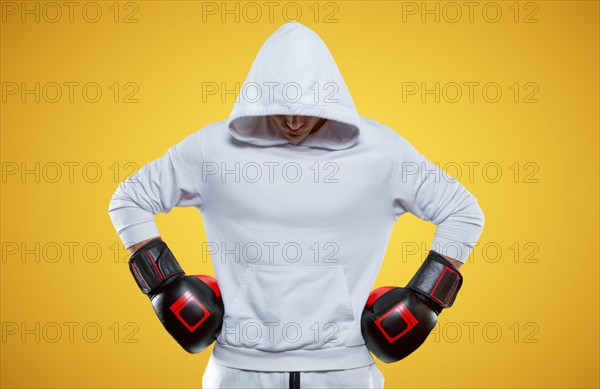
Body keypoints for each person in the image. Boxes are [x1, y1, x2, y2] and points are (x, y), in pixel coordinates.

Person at [108, 21, 484, 388]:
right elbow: (130, 199)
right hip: (239, 369)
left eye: (306, 107)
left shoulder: (383, 153)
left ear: (331, 96)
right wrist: (165, 284)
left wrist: (426, 298)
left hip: (344, 369)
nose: (292, 121)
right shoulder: (212, 150)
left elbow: (463, 212)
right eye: (280, 105)